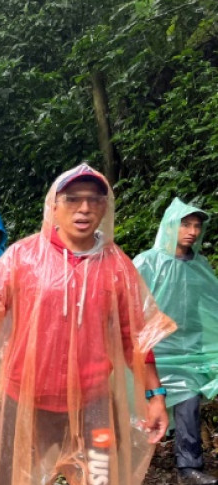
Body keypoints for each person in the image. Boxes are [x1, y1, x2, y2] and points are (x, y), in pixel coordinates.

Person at [0, 163, 176, 485]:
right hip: (24, 401)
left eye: (94, 200)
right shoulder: (23, 256)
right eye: (73, 199)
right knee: (8, 477)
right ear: (54, 206)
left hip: (94, 405)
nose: (84, 208)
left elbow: (137, 338)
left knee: (101, 477)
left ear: (105, 207)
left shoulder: (117, 265)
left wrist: (155, 396)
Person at [134, 198, 218, 485]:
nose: (192, 231)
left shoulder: (200, 266)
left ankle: (189, 466)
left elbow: (209, 307)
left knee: (189, 402)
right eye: (185, 224)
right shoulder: (148, 261)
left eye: (196, 225)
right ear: (171, 225)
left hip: (190, 352)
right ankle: (133, 461)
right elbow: (132, 305)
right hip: (155, 352)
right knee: (139, 404)